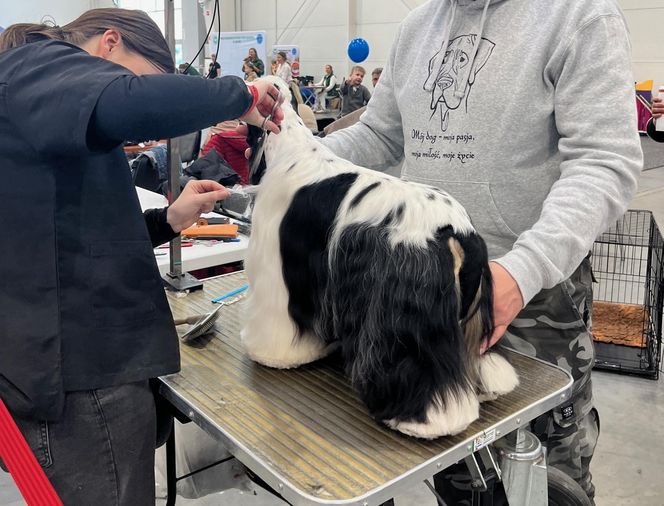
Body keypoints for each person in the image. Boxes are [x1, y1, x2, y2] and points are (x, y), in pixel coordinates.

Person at [320, 1, 642, 503]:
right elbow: (380, 135)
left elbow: (605, 161)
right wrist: (300, 152)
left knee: (544, 476)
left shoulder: (579, 15)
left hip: (535, 299)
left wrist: (521, 271)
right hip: (431, 292)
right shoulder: (416, 27)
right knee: (458, 472)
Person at [0, 8, 283, 505]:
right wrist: (243, 94)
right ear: (109, 43)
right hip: (82, 384)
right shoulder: (39, 66)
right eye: (141, 79)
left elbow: (67, 232)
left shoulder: (38, 98)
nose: (147, 135)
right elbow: (130, 103)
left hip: (67, 365)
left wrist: (170, 219)